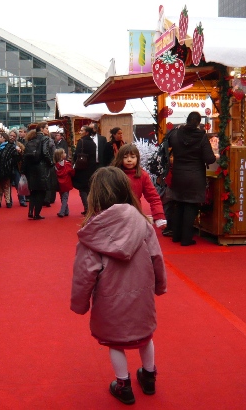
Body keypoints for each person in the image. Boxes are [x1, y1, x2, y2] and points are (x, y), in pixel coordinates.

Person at [70, 167, 167, 405]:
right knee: (145, 336)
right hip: (141, 295)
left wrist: (80, 304)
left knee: (115, 342)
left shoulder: (91, 233)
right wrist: (160, 285)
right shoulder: (142, 223)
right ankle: (149, 374)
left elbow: (84, 273)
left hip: (110, 299)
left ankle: (123, 384)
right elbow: (156, 256)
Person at [169, 111, 217, 246]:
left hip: (178, 174)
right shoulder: (201, 137)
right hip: (195, 176)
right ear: (198, 122)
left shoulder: (176, 134)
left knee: (179, 204)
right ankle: (186, 239)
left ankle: (176, 236)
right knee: (191, 205)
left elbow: (170, 147)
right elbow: (210, 158)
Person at [112, 144, 166, 228]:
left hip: (135, 213)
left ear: (137, 158)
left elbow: (153, 197)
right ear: (120, 158)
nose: (129, 160)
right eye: (125, 157)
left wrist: (159, 216)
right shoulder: (113, 174)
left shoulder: (142, 175)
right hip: (115, 215)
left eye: (133, 157)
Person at [22, 122, 53, 220]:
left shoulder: (31, 139)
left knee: (33, 191)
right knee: (42, 191)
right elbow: (45, 152)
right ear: (42, 129)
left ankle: (30, 211)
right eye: (47, 128)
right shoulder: (45, 138)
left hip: (31, 168)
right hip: (41, 167)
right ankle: (37, 214)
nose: (48, 130)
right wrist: (51, 162)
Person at [72, 125, 98, 215]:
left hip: (82, 168)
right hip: (91, 168)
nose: (80, 132)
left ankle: (87, 208)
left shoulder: (81, 141)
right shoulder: (93, 143)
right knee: (89, 189)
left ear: (86, 132)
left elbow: (76, 155)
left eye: (82, 130)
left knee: (82, 189)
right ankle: (91, 207)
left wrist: (74, 162)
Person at [0, 132, 18, 209]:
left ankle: (8, 201)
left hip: (6, 170)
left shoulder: (9, 147)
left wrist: (8, 164)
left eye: (0, 137)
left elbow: (15, 158)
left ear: (4, 138)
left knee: (6, 186)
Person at [54, 148, 75, 217]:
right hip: (66, 183)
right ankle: (62, 212)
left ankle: (66, 211)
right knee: (65, 198)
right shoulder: (67, 164)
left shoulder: (55, 165)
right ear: (61, 155)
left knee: (62, 197)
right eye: (64, 153)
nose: (65, 154)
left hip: (59, 184)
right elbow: (72, 172)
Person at [8, 128, 26, 207]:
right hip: (7, 167)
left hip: (16, 167)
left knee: (19, 184)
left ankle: (22, 200)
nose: (12, 137)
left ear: (16, 137)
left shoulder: (19, 145)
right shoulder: (6, 144)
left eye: (14, 136)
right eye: (11, 135)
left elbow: (24, 155)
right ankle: (9, 201)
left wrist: (20, 152)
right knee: (7, 186)